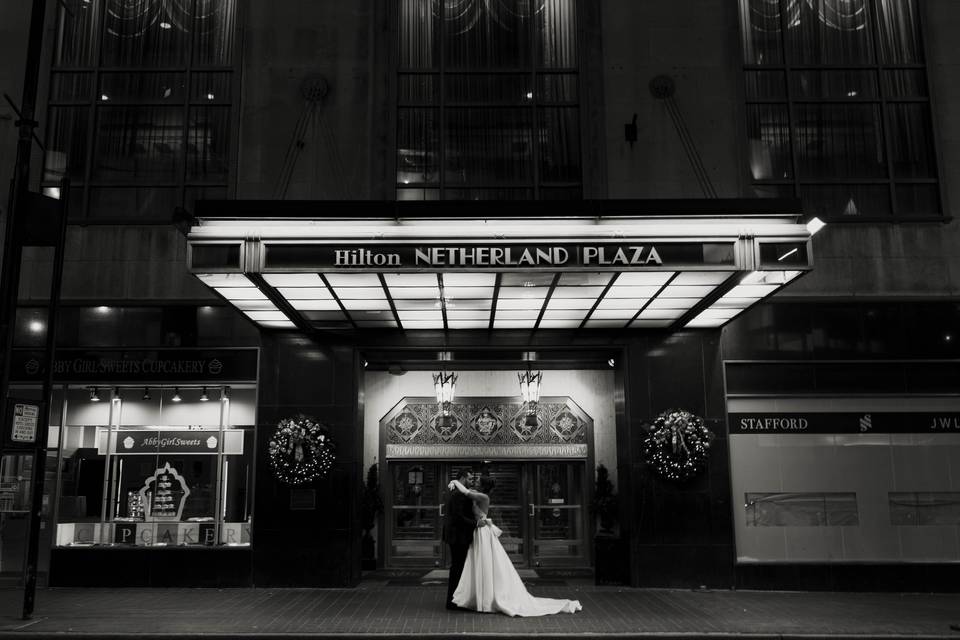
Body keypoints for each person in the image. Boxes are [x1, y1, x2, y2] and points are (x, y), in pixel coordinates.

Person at [449, 476, 582, 617]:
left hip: (483, 532)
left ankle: (487, 597)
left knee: (486, 562)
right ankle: (481, 596)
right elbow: (466, 491)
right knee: (480, 562)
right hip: (478, 531)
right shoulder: (478, 493)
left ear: (483, 485)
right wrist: (454, 482)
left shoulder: (483, 497)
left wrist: (455, 481)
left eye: (477, 481)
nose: (474, 481)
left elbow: (466, 492)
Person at [441, 468, 477, 610]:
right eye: (469, 479)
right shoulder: (458, 495)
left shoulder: (456, 492)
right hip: (458, 536)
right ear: (462, 478)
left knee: (458, 568)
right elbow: (459, 517)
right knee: (457, 568)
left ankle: (455, 600)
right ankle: (453, 602)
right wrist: (476, 524)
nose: (471, 481)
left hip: (457, 536)